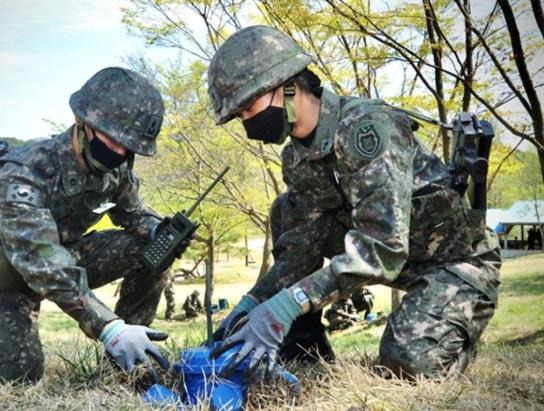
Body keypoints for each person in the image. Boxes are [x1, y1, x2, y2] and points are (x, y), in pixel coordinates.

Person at [208, 26, 501, 380]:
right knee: (287, 211)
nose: (247, 121)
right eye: (239, 115)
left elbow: (382, 250)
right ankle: (303, 344)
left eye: (248, 107)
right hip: (400, 255)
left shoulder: (369, 130)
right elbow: (299, 249)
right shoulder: (296, 159)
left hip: (453, 262)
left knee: (407, 364)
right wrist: (252, 304)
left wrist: (285, 305)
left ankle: (455, 325)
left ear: (287, 86)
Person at [0, 67, 183, 383]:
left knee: (155, 249)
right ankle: (118, 336)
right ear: (83, 123)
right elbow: (41, 260)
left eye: (131, 146)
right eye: (114, 140)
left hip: (70, 257)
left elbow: (134, 213)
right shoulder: (23, 173)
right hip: (13, 272)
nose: (121, 153)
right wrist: (108, 327)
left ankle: (125, 362)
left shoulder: (116, 169)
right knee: (17, 376)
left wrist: (158, 231)